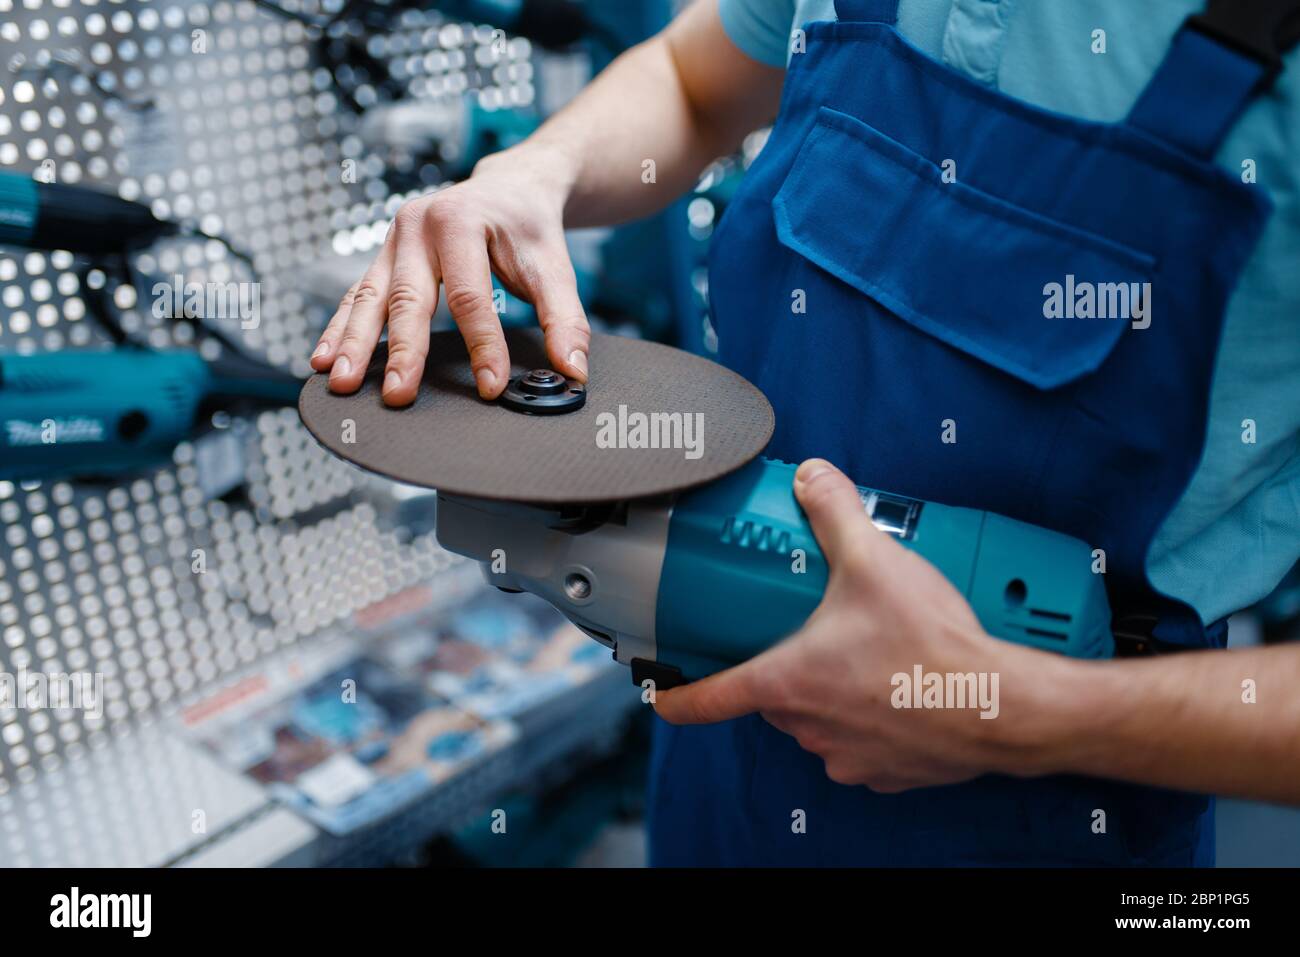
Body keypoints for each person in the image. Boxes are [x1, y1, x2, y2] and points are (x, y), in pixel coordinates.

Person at [311, 0, 1300, 865]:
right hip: (719, 732)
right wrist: (535, 169)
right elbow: (692, 82)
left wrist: (1018, 711)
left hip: (1046, 801)